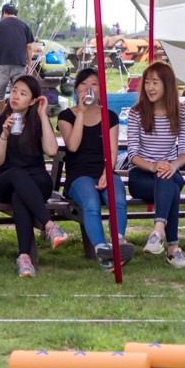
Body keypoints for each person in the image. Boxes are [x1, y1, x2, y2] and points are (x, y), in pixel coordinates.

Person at [0, 75, 65, 277]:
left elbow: (52, 150)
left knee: (20, 196)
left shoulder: (37, 121)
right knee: (17, 175)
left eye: (23, 93)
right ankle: (49, 225)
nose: (16, 96)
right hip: (6, 181)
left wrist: (43, 115)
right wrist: (4, 134)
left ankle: (24, 258)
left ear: (32, 100)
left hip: (36, 182)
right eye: (14, 91)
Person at [57, 68, 134, 270]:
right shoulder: (66, 116)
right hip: (78, 174)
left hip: (105, 170)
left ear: (101, 90)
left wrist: (106, 173)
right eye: (84, 84)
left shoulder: (110, 116)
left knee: (117, 199)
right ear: (76, 89)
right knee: (91, 202)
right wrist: (81, 112)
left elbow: (113, 151)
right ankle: (102, 251)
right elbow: (72, 146)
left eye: (94, 84)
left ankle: (117, 244)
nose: (89, 88)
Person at [125, 60, 185, 268]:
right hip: (141, 175)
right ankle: (172, 248)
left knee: (168, 178)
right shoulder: (136, 113)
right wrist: (154, 167)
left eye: (155, 83)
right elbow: (132, 154)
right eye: (147, 82)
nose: (150, 88)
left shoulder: (182, 113)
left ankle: (157, 233)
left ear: (167, 85)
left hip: (170, 171)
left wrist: (172, 165)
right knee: (169, 183)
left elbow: (184, 152)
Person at [0, 3, 36, 112]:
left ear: (4, 12)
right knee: (19, 92)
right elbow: (29, 47)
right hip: (19, 63)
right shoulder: (25, 26)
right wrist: (29, 64)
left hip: (3, 63)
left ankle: (0, 118)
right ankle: (17, 119)